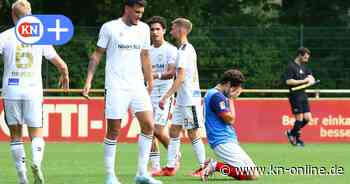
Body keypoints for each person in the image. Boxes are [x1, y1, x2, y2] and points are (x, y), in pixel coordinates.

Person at [82, 0, 162, 184]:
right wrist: (88, 81)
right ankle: (110, 175)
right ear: (127, 8)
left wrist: (149, 80)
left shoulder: (143, 29)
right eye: (136, 12)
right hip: (116, 86)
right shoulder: (109, 28)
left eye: (141, 12)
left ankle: (142, 174)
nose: (139, 16)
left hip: (137, 86)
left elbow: (145, 55)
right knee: (114, 130)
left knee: (149, 125)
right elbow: (97, 54)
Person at [0, 0, 70, 184]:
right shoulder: (41, 36)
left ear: (13, 16)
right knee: (36, 133)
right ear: (30, 15)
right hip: (32, 90)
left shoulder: (5, 36)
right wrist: (64, 73)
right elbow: (60, 63)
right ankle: (37, 162)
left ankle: (22, 176)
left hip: (11, 90)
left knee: (15, 135)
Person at [155, 18, 206, 177]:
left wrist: (166, 97)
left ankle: (204, 166)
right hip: (182, 99)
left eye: (173, 28)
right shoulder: (183, 49)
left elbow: (181, 77)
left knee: (192, 132)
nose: (171, 31)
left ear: (181, 30)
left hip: (189, 99)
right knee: (174, 130)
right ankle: (170, 166)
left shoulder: (185, 51)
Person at [201, 69, 259, 181]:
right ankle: (214, 166)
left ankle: (212, 164)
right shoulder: (217, 97)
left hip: (225, 140)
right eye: (234, 88)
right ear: (228, 84)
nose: (234, 91)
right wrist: (231, 98)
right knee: (251, 175)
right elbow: (230, 120)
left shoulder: (212, 93)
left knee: (254, 173)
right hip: (222, 140)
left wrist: (229, 97)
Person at [146, 16, 177, 175]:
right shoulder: (146, 51)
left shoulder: (171, 49)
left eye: (158, 29)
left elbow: (171, 73)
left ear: (164, 30)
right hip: (148, 93)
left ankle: (175, 156)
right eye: (152, 29)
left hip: (165, 94)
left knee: (157, 129)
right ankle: (156, 165)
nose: (155, 32)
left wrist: (154, 76)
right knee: (147, 130)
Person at [285, 47, 314, 147]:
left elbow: (310, 76)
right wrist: (304, 81)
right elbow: (288, 81)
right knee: (299, 118)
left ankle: (291, 133)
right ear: (300, 55)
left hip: (303, 95)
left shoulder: (304, 67)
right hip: (295, 95)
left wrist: (311, 79)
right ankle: (296, 138)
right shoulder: (291, 66)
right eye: (305, 57)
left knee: (308, 118)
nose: (307, 59)